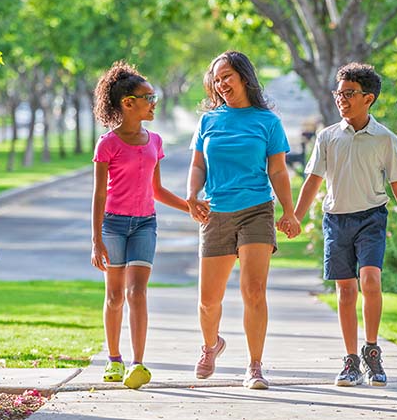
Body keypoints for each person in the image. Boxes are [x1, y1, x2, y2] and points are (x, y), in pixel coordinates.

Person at [292, 62, 397, 387]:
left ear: (369, 98)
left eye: (349, 93)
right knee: (346, 290)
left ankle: (372, 352)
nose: (342, 99)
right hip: (336, 220)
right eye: (339, 93)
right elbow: (312, 182)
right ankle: (351, 359)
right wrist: (294, 215)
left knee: (371, 281)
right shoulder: (327, 137)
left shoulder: (384, 139)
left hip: (371, 218)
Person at [186, 50, 301, 390]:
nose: (221, 84)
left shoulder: (267, 122)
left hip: (256, 210)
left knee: (254, 291)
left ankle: (254, 366)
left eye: (227, 77)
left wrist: (289, 211)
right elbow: (197, 165)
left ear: (244, 78)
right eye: (217, 79)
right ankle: (211, 346)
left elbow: (278, 170)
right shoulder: (209, 121)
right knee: (209, 300)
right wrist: (192, 195)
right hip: (216, 211)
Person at [90, 61, 189, 390]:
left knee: (137, 292)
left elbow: (156, 190)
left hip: (146, 224)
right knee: (115, 295)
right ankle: (114, 359)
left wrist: (190, 206)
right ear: (127, 103)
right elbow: (99, 194)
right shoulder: (108, 143)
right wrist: (96, 240)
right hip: (114, 226)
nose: (154, 103)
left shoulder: (155, 141)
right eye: (148, 97)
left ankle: (138, 362)